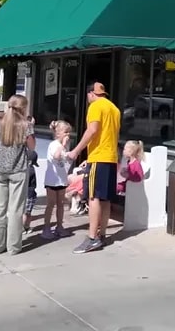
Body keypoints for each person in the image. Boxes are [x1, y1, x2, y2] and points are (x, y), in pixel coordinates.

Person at [66, 81, 121, 254]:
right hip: (111, 158)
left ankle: (92, 238)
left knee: (93, 197)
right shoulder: (114, 109)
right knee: (105, 198)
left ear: (91, 94)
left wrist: (76, 151)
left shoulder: (95, 107)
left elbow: (92, 130)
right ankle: (102, 235)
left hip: (98, 157)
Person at [0, 94, 36, 256]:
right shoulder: (25, 125)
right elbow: (32, 147)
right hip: (18, 170)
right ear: (22, 108)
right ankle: (14, 247)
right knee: (15, 210)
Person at [42, 121, 74, 238]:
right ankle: (46, 227)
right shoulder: (54, 144)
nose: (68, 135)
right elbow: (56, 156)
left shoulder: (65, 146)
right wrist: (63, 145)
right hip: (52, 180)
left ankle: (59, 226)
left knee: (60, 204)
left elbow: (64, 159)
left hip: (61, 179)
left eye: (69, 133)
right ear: (58, 133)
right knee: (51, 204)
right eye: (65, 132)